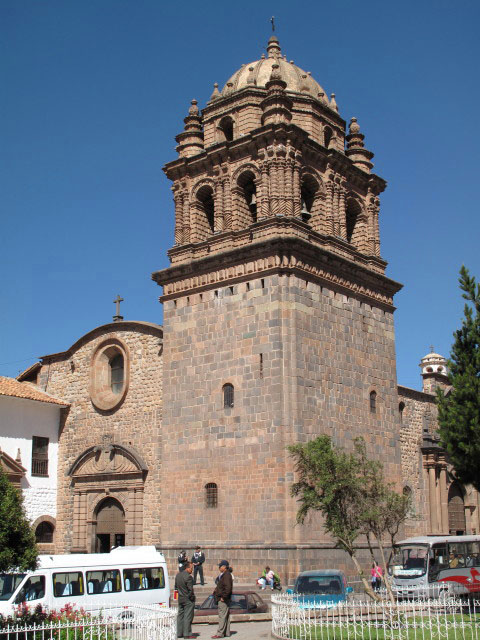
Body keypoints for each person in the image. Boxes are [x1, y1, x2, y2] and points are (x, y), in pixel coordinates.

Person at [174, 561, 196, 639]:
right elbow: (190, 590)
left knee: (180, 616)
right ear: (187, 568)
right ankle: (187, 633)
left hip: (180, 598)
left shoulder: (178, 575)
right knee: (188, 616)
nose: (192, 570)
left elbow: (176, 587)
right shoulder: (188, 577)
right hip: (187, 599)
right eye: (191, 568)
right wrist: (191, 597)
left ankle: (179, 633)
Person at [212, 560, 233, 639]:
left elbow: (228, 588)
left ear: (224, 567)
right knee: (225, 616)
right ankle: (226, 632)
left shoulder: (226, 575)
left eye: (220, 566)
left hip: (223, 599)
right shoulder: (225, 575)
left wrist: (223, 597)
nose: (219, 568)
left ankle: (220, 633)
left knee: (222, 616)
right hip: (224, 598)